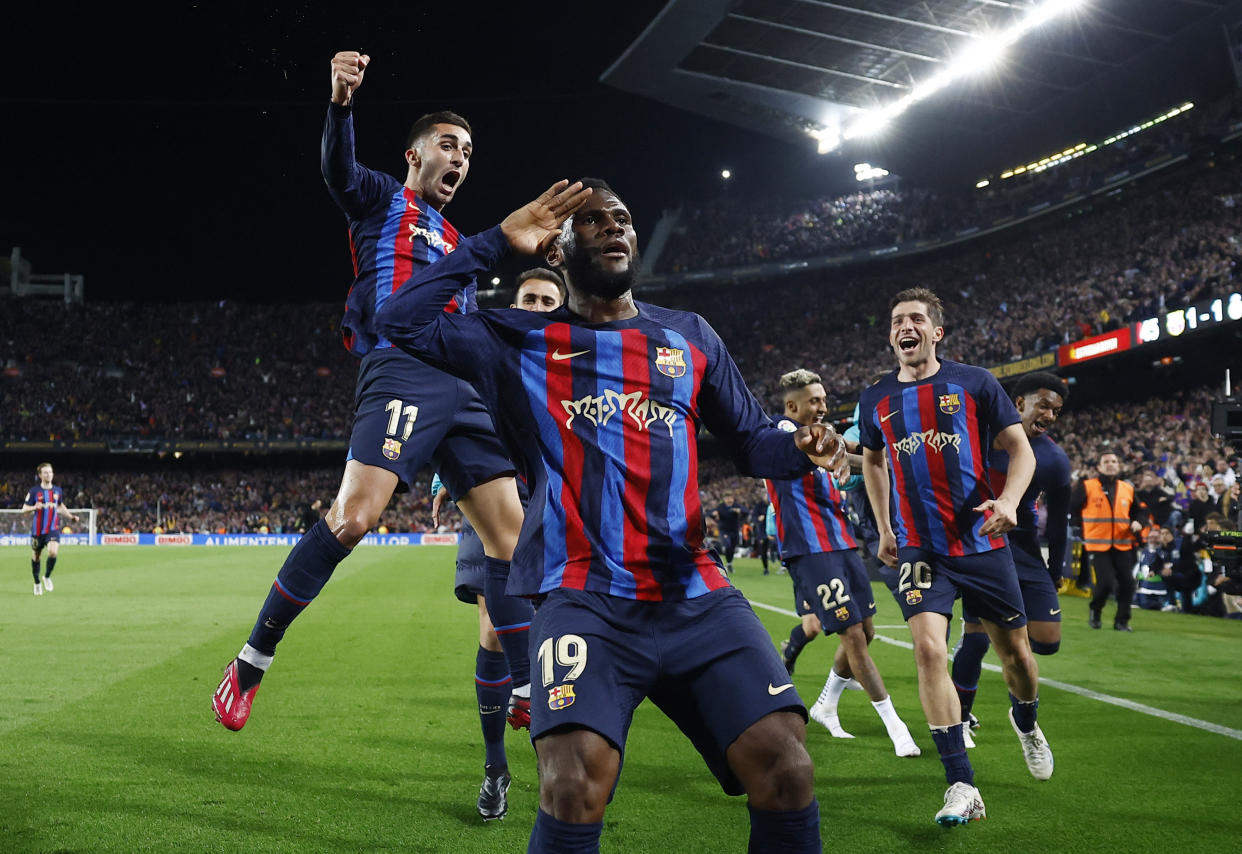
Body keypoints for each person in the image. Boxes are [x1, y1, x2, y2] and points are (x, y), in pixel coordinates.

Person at [377, 179, 841, 853]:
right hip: (583, 598)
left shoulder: (689, 336)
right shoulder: (514, 340)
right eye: (592, 222)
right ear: (558, 251)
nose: (614, 228)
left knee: (787, 767)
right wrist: (495, 243)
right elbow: (397, 322)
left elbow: (750, 442)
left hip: (695, 595)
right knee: (572, 784)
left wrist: (799, 446)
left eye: (622, 219)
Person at [212, 51, 530, 732]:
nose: (462, 158)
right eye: (449, 144)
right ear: (415, 154)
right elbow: (337, 172)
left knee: (513, 540)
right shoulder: (386, 198)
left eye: (469, 151)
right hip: (404, 367)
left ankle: (530, 683)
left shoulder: (458, 240)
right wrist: (340, 103)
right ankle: (252, 658)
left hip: (464, 391)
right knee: (354, 518)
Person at [859, 287, 1053, 827]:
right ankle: (961, 784)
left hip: (982, 539)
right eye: (898, 319)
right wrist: (883, 526)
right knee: (926, 650)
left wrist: (1011, 502)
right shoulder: (875, 396)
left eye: (917, 318)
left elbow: (1022, 450)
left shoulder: (974, 382)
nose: (906, 326)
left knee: (1016, 655)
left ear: (936, 331)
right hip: (921, 548)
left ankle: (1026, 720)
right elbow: (872, 460)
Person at [430, 267, 568, 820]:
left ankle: (557, 765)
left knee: (557, 637)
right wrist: (445, 474)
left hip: (552, 504)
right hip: (491, 495)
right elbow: (451, 411)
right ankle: (495, 768)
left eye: (546, 300)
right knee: (492, 631)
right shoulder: (481, 350)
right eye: (528, 297)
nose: (535, 306)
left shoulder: (574, 361)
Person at [766, 369, 920, 757]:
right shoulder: (782, 432)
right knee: (852, 636)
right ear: (791, 405)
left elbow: (844, 462)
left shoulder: (822, 434)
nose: (822, 406)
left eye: (823, 398)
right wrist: (884, 456)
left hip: (842, 542)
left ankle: (825, 704)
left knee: (866, 632)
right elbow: (835, 455)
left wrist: (875, 460)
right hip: (810, 550)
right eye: (814, 400)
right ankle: (896, 727)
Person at [951, 371, 1070, 741]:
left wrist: (1055, 569)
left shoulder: (1053, 459)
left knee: (1047, 641)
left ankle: (1012, 675)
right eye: (1045, 406)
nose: (1051, 416)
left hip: (1023, 549)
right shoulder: (977, 435)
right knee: (977, 638)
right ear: (1019, 404)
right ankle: (962, 718)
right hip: (980, 545)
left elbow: (1060, 523)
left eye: (1057, 411)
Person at [1070, 450, 1146, 631]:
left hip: (1123, 543)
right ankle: (1095, 611)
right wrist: (1083, 530)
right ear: (1099, 467)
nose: (1111, 464)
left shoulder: (1128, 488)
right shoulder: (1086, 486)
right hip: (1097, 544)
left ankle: (1122, 621)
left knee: (1127, 583)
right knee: (1105, 583)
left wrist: (1138, 522)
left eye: (1114, 461)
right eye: (1107, 461)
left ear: (1119, 466)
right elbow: (1072, 510)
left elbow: (1141, 511)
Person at [22, 462, 78, 595]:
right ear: (40, 475)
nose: (49, 474)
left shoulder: (57, 490)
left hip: (53, 528)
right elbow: (24, 509)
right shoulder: (34, 491)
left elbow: (60, 506)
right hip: (38, 530)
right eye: (46, 472)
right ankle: (36, 582)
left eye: (50, 472)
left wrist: (71, 517)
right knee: (36, 556)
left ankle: (46, 576)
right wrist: (35, 507)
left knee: (53, 552)